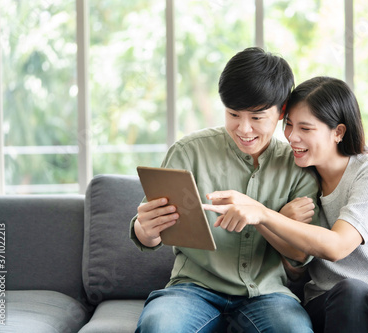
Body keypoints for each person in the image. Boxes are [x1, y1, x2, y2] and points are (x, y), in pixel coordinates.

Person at [204, 76, 368, 332]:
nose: (292, 137)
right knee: (350, 289)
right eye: (289, 125)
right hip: (333, 299)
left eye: (305, 129)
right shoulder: (298, 177)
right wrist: (281, 224)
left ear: (338, 132)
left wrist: (265, 214)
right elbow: (295, 270)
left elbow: (337, 246)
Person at [130, 47, 320, 333]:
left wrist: (264, 215)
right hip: (193, 289)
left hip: (266, 293)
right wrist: (145, 231)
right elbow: (148, 235)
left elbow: (299, 257)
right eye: (233, 114)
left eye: (257, 117)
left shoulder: (299, 165)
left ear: (281, 111)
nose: (244, 129)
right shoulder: (188, 152)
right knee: (159, 327)